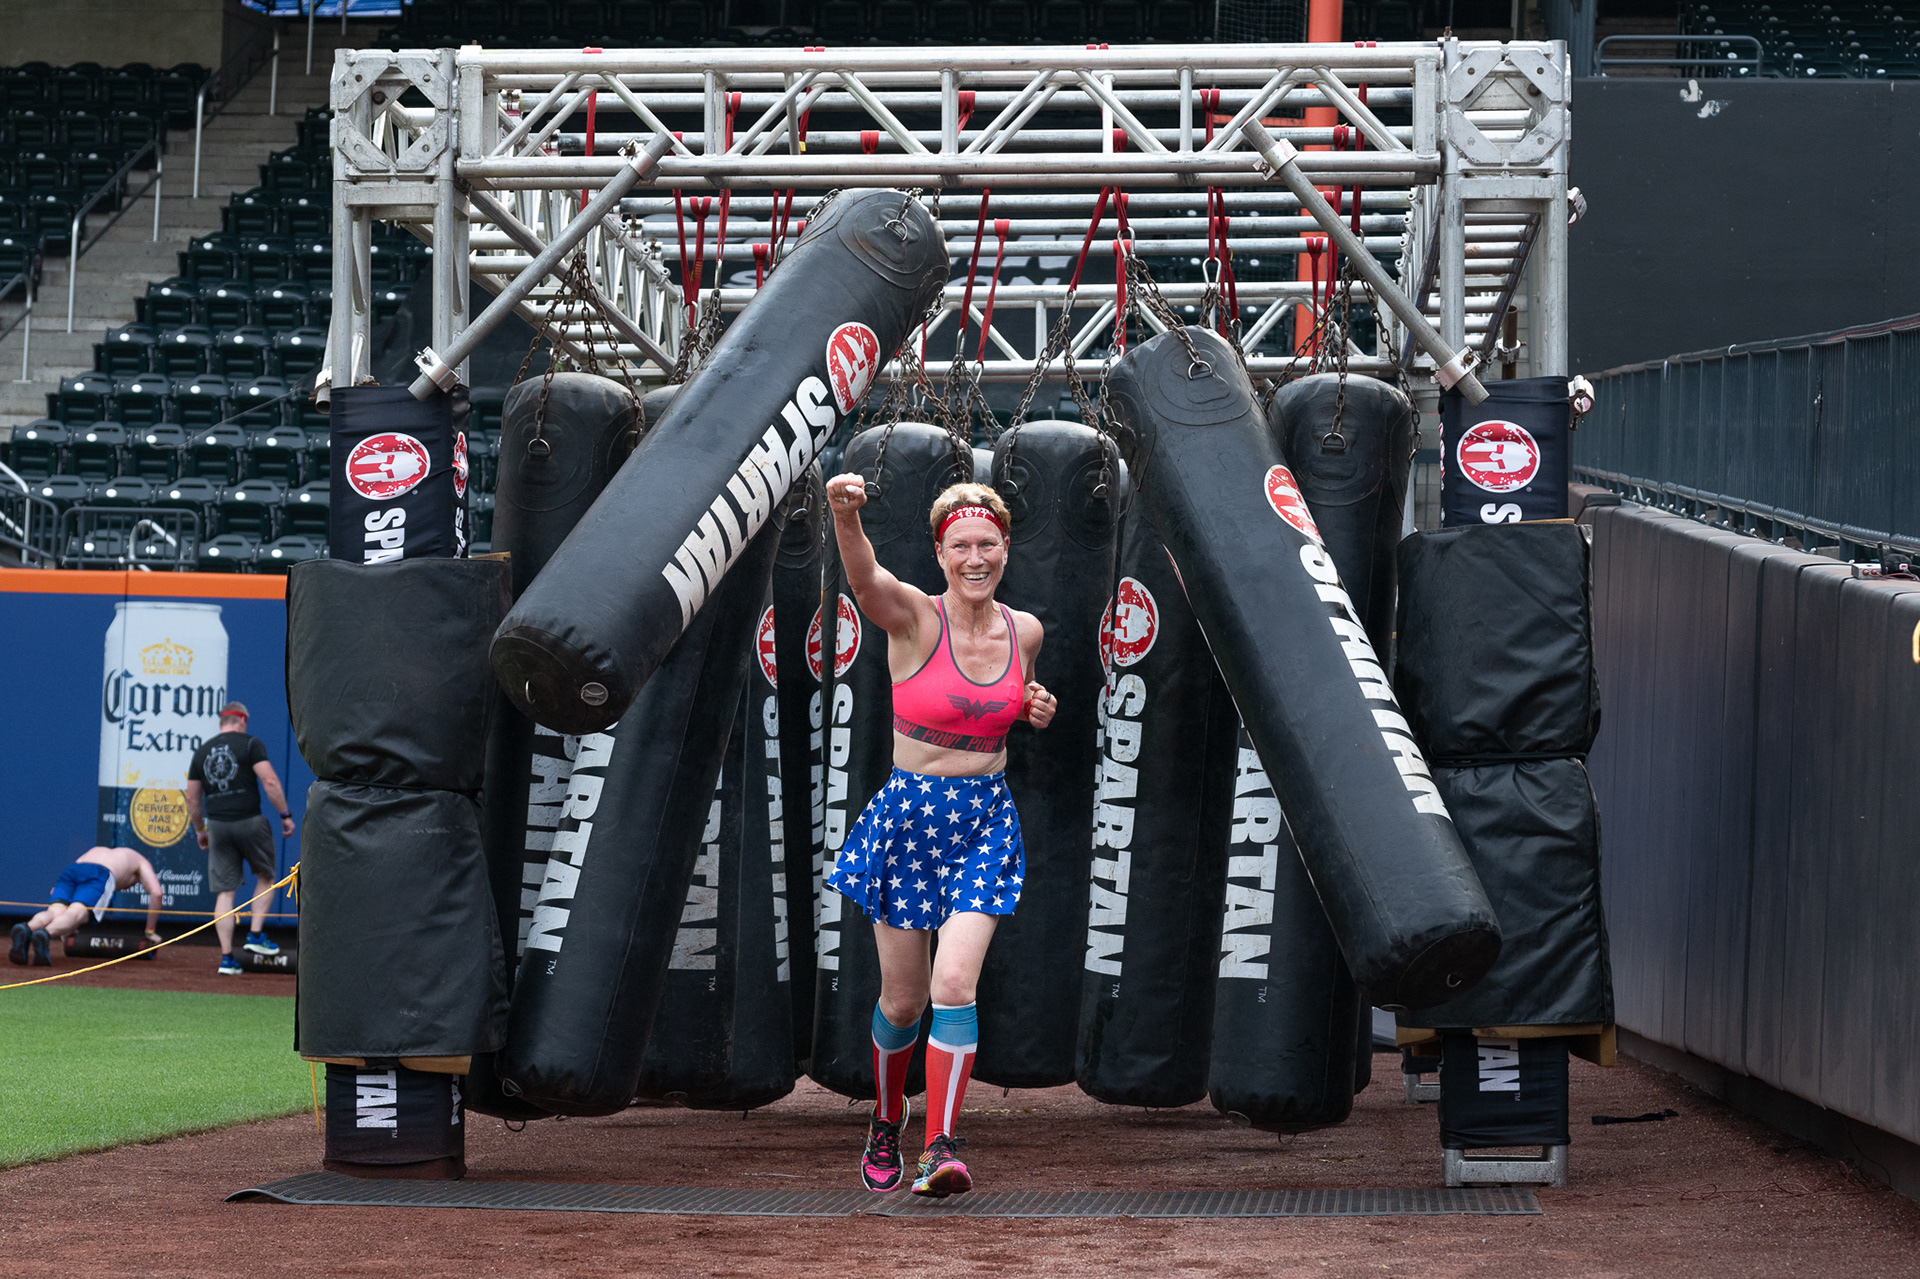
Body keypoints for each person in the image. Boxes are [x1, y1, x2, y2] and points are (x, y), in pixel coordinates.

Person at [822, 475, 1058, 1200]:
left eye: (988, 544)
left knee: (953, 984)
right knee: (903, 1002)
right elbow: (865, 579)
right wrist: (845, 514)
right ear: (940, 553)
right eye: (961, 546)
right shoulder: (914, 618)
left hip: (985, 820)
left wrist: (1035, 706)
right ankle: (885, 1119)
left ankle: (940, 1148)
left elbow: (1015, 701)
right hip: (910, 821)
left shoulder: (1026, 631)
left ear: (1006, 548)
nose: (975, 558)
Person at [186, 701, 295, 977]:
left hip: (218, 826)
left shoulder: (201, 752)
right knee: (266, 876)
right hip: (250, 821)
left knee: (225, 892)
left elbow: (192, 800)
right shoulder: (250, 743)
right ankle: (255, 936)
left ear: (221, 722)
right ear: (243, 720)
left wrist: (200, 831)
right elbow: (270, 781)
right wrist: (285, 814)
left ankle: (226, 958)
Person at [10, 846, 163, 967]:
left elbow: (56, 890)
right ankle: (46, 934)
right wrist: (150, 932)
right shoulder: (141, 861)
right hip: (100, 873)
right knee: (78, 914)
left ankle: (27, 928)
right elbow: (157, 893)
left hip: (72, 870)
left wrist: (67, 927)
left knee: (55, 911)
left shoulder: (97, 850)